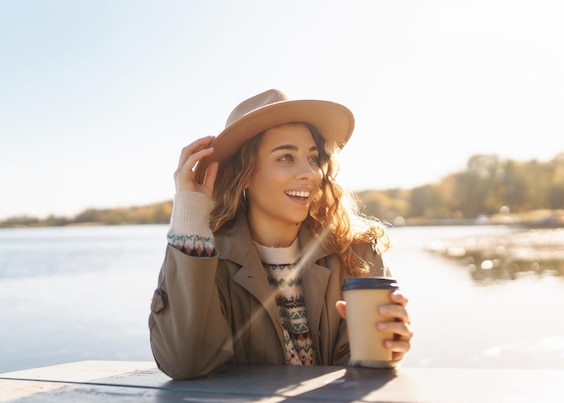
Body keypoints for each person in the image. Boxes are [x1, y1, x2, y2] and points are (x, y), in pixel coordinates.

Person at [149, 89, 413, 380]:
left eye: (313, 158)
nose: (310, 173)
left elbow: (362, 371)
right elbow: (184, 363)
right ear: (245, 173)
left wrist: (383, 350)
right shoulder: (204, 260)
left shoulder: (358, 254)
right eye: (286, 157)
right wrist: (189, 214)